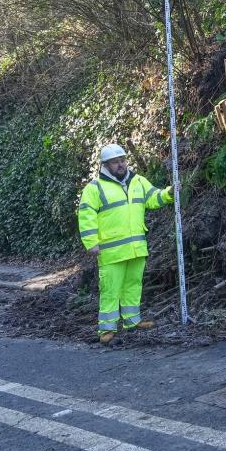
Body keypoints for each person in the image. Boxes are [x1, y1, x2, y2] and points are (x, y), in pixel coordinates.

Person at [77, 144, 173, 345]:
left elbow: (153, 198)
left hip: (136, 248)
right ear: (105, 165)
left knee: (133, 285)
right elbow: (86, 215)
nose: (121, 165)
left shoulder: (138, 181)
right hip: (111, 251)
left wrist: (169, 193)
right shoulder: (94, 188)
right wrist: (91, 242)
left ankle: (132, 321)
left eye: (122, 160)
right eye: (115, 162)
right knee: (111, 290)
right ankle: (107, 329)